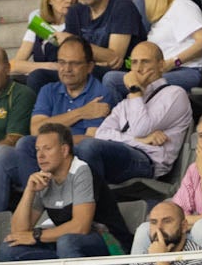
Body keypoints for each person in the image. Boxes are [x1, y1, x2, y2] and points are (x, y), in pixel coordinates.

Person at [0, 38, 108, 217]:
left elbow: (91, 139)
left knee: (26, 144)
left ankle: (39, 212)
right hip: (41, 158)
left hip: (73, 161)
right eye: (62, 62)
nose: (66, 69)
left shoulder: (101, 93)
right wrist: (81, 112)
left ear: (89, 66)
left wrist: (53, 146)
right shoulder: (48, 90)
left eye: (74, 64)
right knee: (0, 154)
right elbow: (36, 130)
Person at [0, 123, 107, 265]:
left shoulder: (82, 170)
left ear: (64, 150)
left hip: (109, 242)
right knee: (9, 247)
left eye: (47, 149)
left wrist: (36, 235)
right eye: (38, 150)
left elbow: (81, 226)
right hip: (66, 246)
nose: (40, 155)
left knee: (67, 241)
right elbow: (18, 231)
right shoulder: (44, 178)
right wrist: (29, 191)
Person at [73, 42, 191, 189]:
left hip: (147, 161)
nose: (138, 68)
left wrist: (135, 90)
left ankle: (93, 205)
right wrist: (139, 140)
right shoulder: (128, 102)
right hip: (120, 153)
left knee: (87, 147)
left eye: (145, 62)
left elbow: (139, 129)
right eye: (134, 62)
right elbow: (101, 133)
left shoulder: (174, 94)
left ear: (161, 65)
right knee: (60, 150)